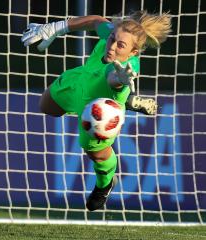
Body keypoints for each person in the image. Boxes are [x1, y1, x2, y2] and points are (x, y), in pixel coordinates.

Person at [21, 11, 171, 211]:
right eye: (112, 39)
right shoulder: (113, 34)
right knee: (46, 106)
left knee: (96, 155)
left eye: (121, 45)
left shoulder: (125, 68)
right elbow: (97, 21)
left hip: (99, 109)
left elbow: (113, 79)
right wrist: (56, 27)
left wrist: (121, 81)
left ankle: (105, 184)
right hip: (79, 82)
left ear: (133, 52)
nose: (112, 46)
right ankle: (129, 101)